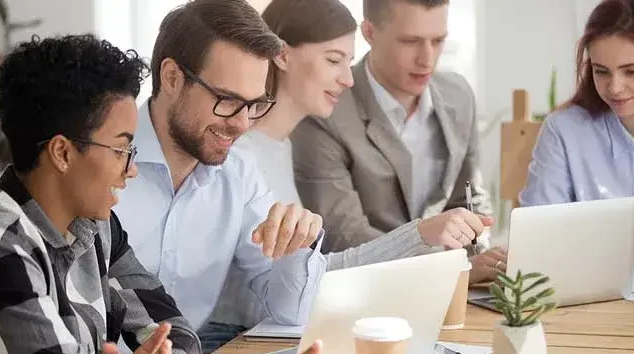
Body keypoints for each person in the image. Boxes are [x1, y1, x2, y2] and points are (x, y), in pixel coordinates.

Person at [210, 0, 505, 332]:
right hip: (242, 337)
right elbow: (312, 271)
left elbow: (304, 277)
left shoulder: (283, 146)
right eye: (334, 60)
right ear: (282, 55)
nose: (348, 80)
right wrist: (430, 244)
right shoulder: (244, 155)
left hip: (296, 326)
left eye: (348, 61)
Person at [0, 34, 202, 354]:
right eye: (121, 150)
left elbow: (178, 334)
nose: (131, 169)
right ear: (62, 153)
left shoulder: (97, 229)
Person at [112, 0, 326, 354]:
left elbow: (288, 312)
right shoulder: (101, 160)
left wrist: (297, 246)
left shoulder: (238, 173)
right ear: (172, 78)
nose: (243, 124)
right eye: (227, 100)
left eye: (254, 104)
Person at [289, 0, 507, 270]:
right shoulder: (324, 112)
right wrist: (455, 268)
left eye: (438, 41)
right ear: (369, 33)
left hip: (457, 286)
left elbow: (470, 199)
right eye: (410, 41)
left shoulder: (459, 94)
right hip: (370, 290)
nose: (427, 59)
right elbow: (345, 238)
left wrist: (481, 253)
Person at [519, 0, 634, 262]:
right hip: (593, 300)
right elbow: (535, 240)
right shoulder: (564, 131)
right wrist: (598, 238)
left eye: (632, 71)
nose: (614, 87)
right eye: (601, 71)